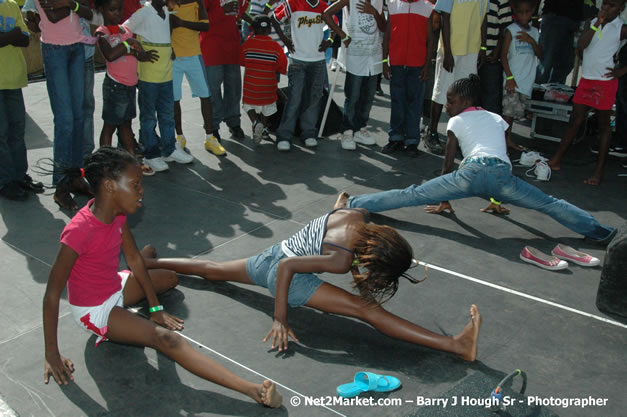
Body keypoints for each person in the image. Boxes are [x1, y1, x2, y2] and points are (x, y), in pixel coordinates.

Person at [42, 147, 283, 409]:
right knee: (166, 340)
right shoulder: (78, 232)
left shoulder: (117, 213)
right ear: (110, 186)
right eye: (135, 184)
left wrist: (155, 307)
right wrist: (52, 354)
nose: (141, 190)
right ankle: (254, 391)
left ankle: (148, 264)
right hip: (95, 310)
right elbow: (52, 294)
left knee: (169, 278)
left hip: (115, 286)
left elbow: (133, 259)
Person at [143, 192, 482, 360]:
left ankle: (151, 264)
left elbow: (339, 205)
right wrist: (279, 318)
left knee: (212, 270)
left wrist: (339, 205)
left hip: (272, 255)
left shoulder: (357, 214)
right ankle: (455, 344)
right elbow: (288, 270)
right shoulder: (337, 260)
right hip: (283, 272)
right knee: (368, 310)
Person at [345, 75, 617, 244]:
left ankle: (355, 204)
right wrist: (497, 199)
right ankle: (600, 231)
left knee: (413, 194)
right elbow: (501, 156)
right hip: (500, 177)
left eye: (450, 101)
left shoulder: (457, 119)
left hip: (469, 174)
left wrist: (443, 197)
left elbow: (449, 163)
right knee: (549, 204)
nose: (447, 106)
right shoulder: (497, 119)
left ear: (463, 101)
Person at [547, 0, 627, 185]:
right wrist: (597, 24)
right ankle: (557, 159)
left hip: (605, 83)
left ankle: (598, 173)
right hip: (587, 80)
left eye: (612, 6)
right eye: (605, 4)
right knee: (575, 120)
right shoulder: (592, 22)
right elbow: (581, 46)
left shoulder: (621, 28)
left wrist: (623, 70)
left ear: (621, 8)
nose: (607, 9)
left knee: (604, 126)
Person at [32, 0, 93, 210]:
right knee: (65, 120)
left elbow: (89, 12)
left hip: (76, 48)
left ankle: (75, 177)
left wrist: (68, 3)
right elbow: (53, 16)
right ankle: (60, 187)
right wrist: (74, 5)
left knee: (78, 117)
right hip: (54, 50)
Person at [123, 0, 194, 173]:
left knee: (167, 113)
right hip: (149, 76)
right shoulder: (144, 13)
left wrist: (171, 47)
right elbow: (123, 31)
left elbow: (165, 33)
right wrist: (137, 52)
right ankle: (151, 154)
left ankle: (169, 149)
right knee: (148, 117)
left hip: (166, 73)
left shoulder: (165, 12)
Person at [95, 0, 158, 175]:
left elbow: (136, 52)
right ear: (102, 9)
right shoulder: (103, 32)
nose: (116, 13)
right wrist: (128, 45)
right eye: (111, 9)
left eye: (119, 9)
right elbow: (110, 54)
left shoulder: (126, 30)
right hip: (115, 86)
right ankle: (104, 164)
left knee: (126, 125)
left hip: (129, 87)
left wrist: (142, 54)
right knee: (110, 125)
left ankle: (132, 162)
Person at [425, 0, 488, 156]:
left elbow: (483, 17)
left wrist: (483, 47)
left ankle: (461, 135)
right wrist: (447, 52)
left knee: (466, 95)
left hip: (471, 49)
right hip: (451, 50)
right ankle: (431, 132)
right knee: (441, 91)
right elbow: (445, 19)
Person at [322, 0, 385, 151]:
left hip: (374, 56)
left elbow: (383, 27)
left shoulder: (379, 2)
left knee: (368, 96)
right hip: (356, 56)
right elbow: (326, 14)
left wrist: (374, 12)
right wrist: (343, 36)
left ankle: (360, 128)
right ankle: (347, 131)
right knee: (353, 95)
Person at [271, 0, 331, 151]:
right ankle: (284, 135)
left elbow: (335, 25)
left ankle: (309, 133)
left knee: (314, 98)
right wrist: (285, 39)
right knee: (294, 98)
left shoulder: (324, 6)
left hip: (318, 60)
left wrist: (329, 40)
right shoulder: (293, 3)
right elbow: (274, 18)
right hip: (297, 59)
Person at [378, 0, 435, 157]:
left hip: (417, 65)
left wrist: (426, 66)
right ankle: (395, 138)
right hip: (396, 63)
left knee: (414, 105)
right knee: (397, 102)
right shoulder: (393, 4)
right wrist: (385, 62)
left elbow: (430, 39)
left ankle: (411, 141)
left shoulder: (427, 7)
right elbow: (387, 34)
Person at [0, 0, 44, 201]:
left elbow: (25, 38)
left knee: (17, 130)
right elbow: (16, 35)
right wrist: (12, 35)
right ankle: (5, 181)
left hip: (14, 79)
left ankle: (19, 176)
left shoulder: (10, 5)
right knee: (1, 133)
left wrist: (8, 37)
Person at [170, 0, 227, 156]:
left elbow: (205, 26)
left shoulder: (197, 3)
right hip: (173, 57)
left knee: (205, 96)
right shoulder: (168, 3)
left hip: (194, 56)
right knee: (174, 100)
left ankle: (210, 138)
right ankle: (179, 137)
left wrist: (181, 22)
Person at [200, 0, 249, 143]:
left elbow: (240, 12)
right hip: (211, 48)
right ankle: (212, 126)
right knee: (212, 91)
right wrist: (222, 10)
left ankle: (234, 122)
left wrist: (253, 22)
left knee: (233, 89)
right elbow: (201, 20)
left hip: (232, 48)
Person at [239, 15, 288, 144]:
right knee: (268, 107)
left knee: (248, 105)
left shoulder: (247, 45)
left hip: (251, 87)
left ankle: (255, 122)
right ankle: (265, 128)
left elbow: (241, 60)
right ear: (269, 30)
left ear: (253, 29)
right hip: (268, 86)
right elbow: (281, 66)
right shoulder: (275, 46)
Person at [500, 0, 541, 152]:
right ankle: (504, 143)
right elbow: (503, 55)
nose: (524, 15)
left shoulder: (535, 32)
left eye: (527, 12)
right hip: (513, 80)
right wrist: (509, 77)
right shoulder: (511, 30)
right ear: (515, 13)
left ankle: (508, 140)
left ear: (532, 12)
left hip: (526, 81)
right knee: (507, 115)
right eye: (520, 12)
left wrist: (531, 41)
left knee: (515, 114)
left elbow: (540, 54)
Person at [535, 0, 585, 85]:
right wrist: (533, 17)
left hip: (574, 20)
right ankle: (537, 92)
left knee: (566, 64)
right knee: (547, 61)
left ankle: (554, 92)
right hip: (555, 17)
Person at [478, 0, 512, 115]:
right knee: (469, 97)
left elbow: (505, 27)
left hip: (491, 56)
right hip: (470, 54)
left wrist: (496, 52)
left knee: (491, 100)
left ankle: (491, 130)